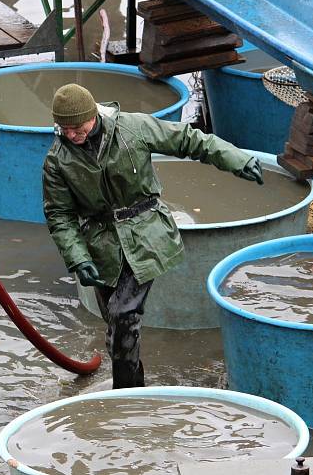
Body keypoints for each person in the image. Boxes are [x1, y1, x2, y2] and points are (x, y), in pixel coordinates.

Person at [42, 84, 263, 389]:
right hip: (100, 242)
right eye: (64, 129)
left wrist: (237, 159)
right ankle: (132, 387)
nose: (71, 135)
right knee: (117, 326)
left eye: (77, 128)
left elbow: (188, 140)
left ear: (92, 116)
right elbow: (59, 215)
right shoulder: (57, 160)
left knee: (124, 313)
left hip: (145, 231)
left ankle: (127, 395)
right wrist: (77, 257)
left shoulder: (133, 128)